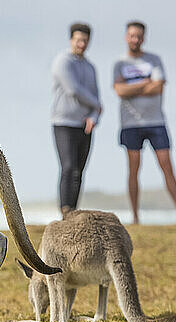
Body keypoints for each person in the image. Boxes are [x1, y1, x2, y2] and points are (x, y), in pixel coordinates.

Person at [113, 21, 176, 224]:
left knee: (167, 165)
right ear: (126, 37)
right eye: (132, 35)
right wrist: (145, 83)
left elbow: (158, 87)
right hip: (130, 123)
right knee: (134, 168)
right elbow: (119, 91)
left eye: (139, 36)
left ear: (144, 38)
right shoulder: (120, 63)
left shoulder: (154, 60)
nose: (135, 39)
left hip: (156, 121)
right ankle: (135, 216)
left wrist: (131, 87)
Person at [51, 23, 102, 218]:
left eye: (85, 40)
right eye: (78, 40)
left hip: (85, 125)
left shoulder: (90, 67)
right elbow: (73, 90)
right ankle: (65, 209)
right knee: (69, 167)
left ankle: (72, 211)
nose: (81, 44)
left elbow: (96, 97)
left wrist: (95, 115)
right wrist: (97, 105)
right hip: (63, 123)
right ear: (71, 40)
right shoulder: (62, 61)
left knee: (79, 171)